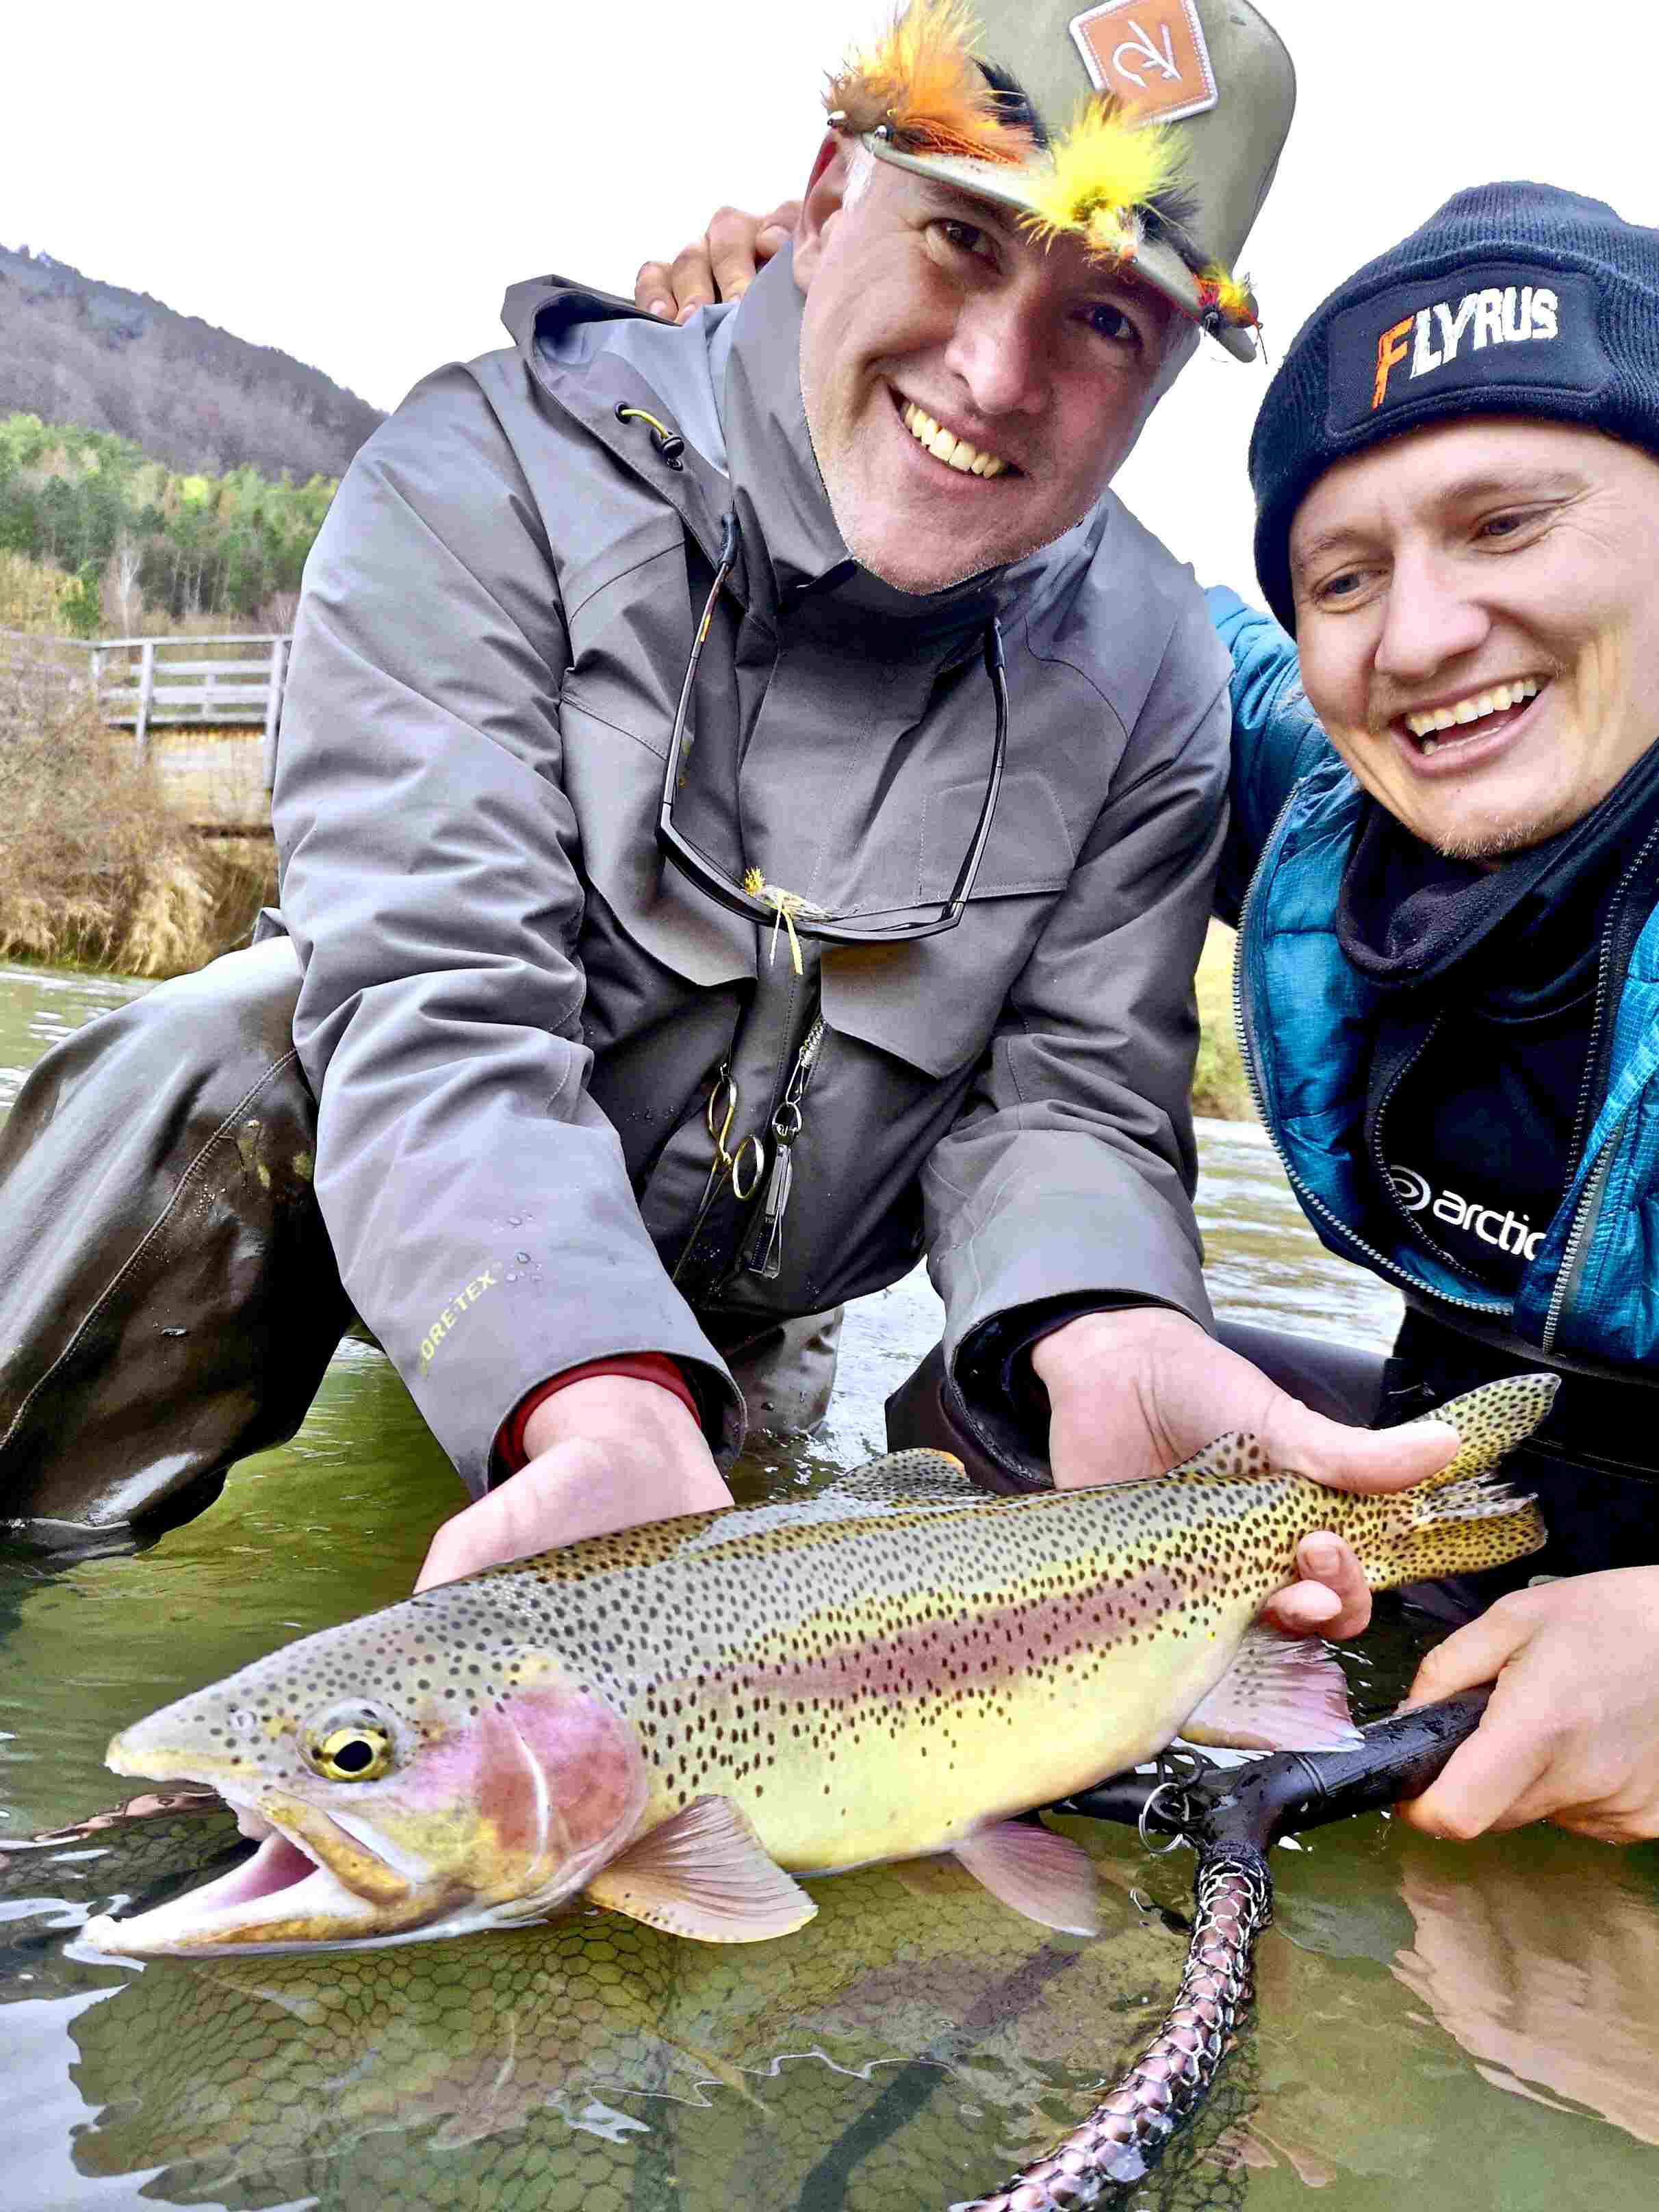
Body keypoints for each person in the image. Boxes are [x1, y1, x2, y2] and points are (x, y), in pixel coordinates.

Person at [0, 0, 1449, 1623]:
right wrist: (589, 1376)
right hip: (386, 1185)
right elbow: (438, 1000)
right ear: (830, 199)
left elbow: (1071, 1107)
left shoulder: (1158, 665)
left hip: (765, 1301)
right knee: (215, 1062)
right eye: (965, 238)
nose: (996, 372)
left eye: (1109, 321)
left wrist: (1112, 1324)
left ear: (1174, 369)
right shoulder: (478, 479)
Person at [656, 179, 1659, 1851]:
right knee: (1008, 1404)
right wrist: (804, 359)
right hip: (1459, 1463)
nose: (1421, 636)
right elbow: (1030, 559)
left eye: (1507, 525)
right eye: (1344, 575)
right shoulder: (1311, 760)